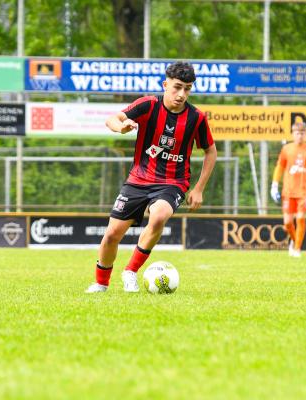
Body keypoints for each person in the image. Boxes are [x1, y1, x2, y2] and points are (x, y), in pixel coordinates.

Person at [86, 61, 217, 293]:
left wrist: (198, 189)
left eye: (187, 88)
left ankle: (131, 272)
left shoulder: (196, 118)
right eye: (177, 87)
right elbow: (112, 119)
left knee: (159, 215)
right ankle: (101, 284)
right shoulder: (148, 105)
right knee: (112, 234)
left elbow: (210, 151)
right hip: (138, 179)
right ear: (165, 84)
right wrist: (122, 126)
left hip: (173, 182)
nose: (181, 94)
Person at [270, 121, 306, 258]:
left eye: (302, 133)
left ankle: (297, 249)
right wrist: (274, 185)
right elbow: (279, 168)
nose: (300, 135)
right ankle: (294, 240)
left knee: (300, 218)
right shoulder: (286, 149)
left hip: (304, 191)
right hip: (288, 191)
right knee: (287, 223)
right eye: (297, 133)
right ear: (293, 134)